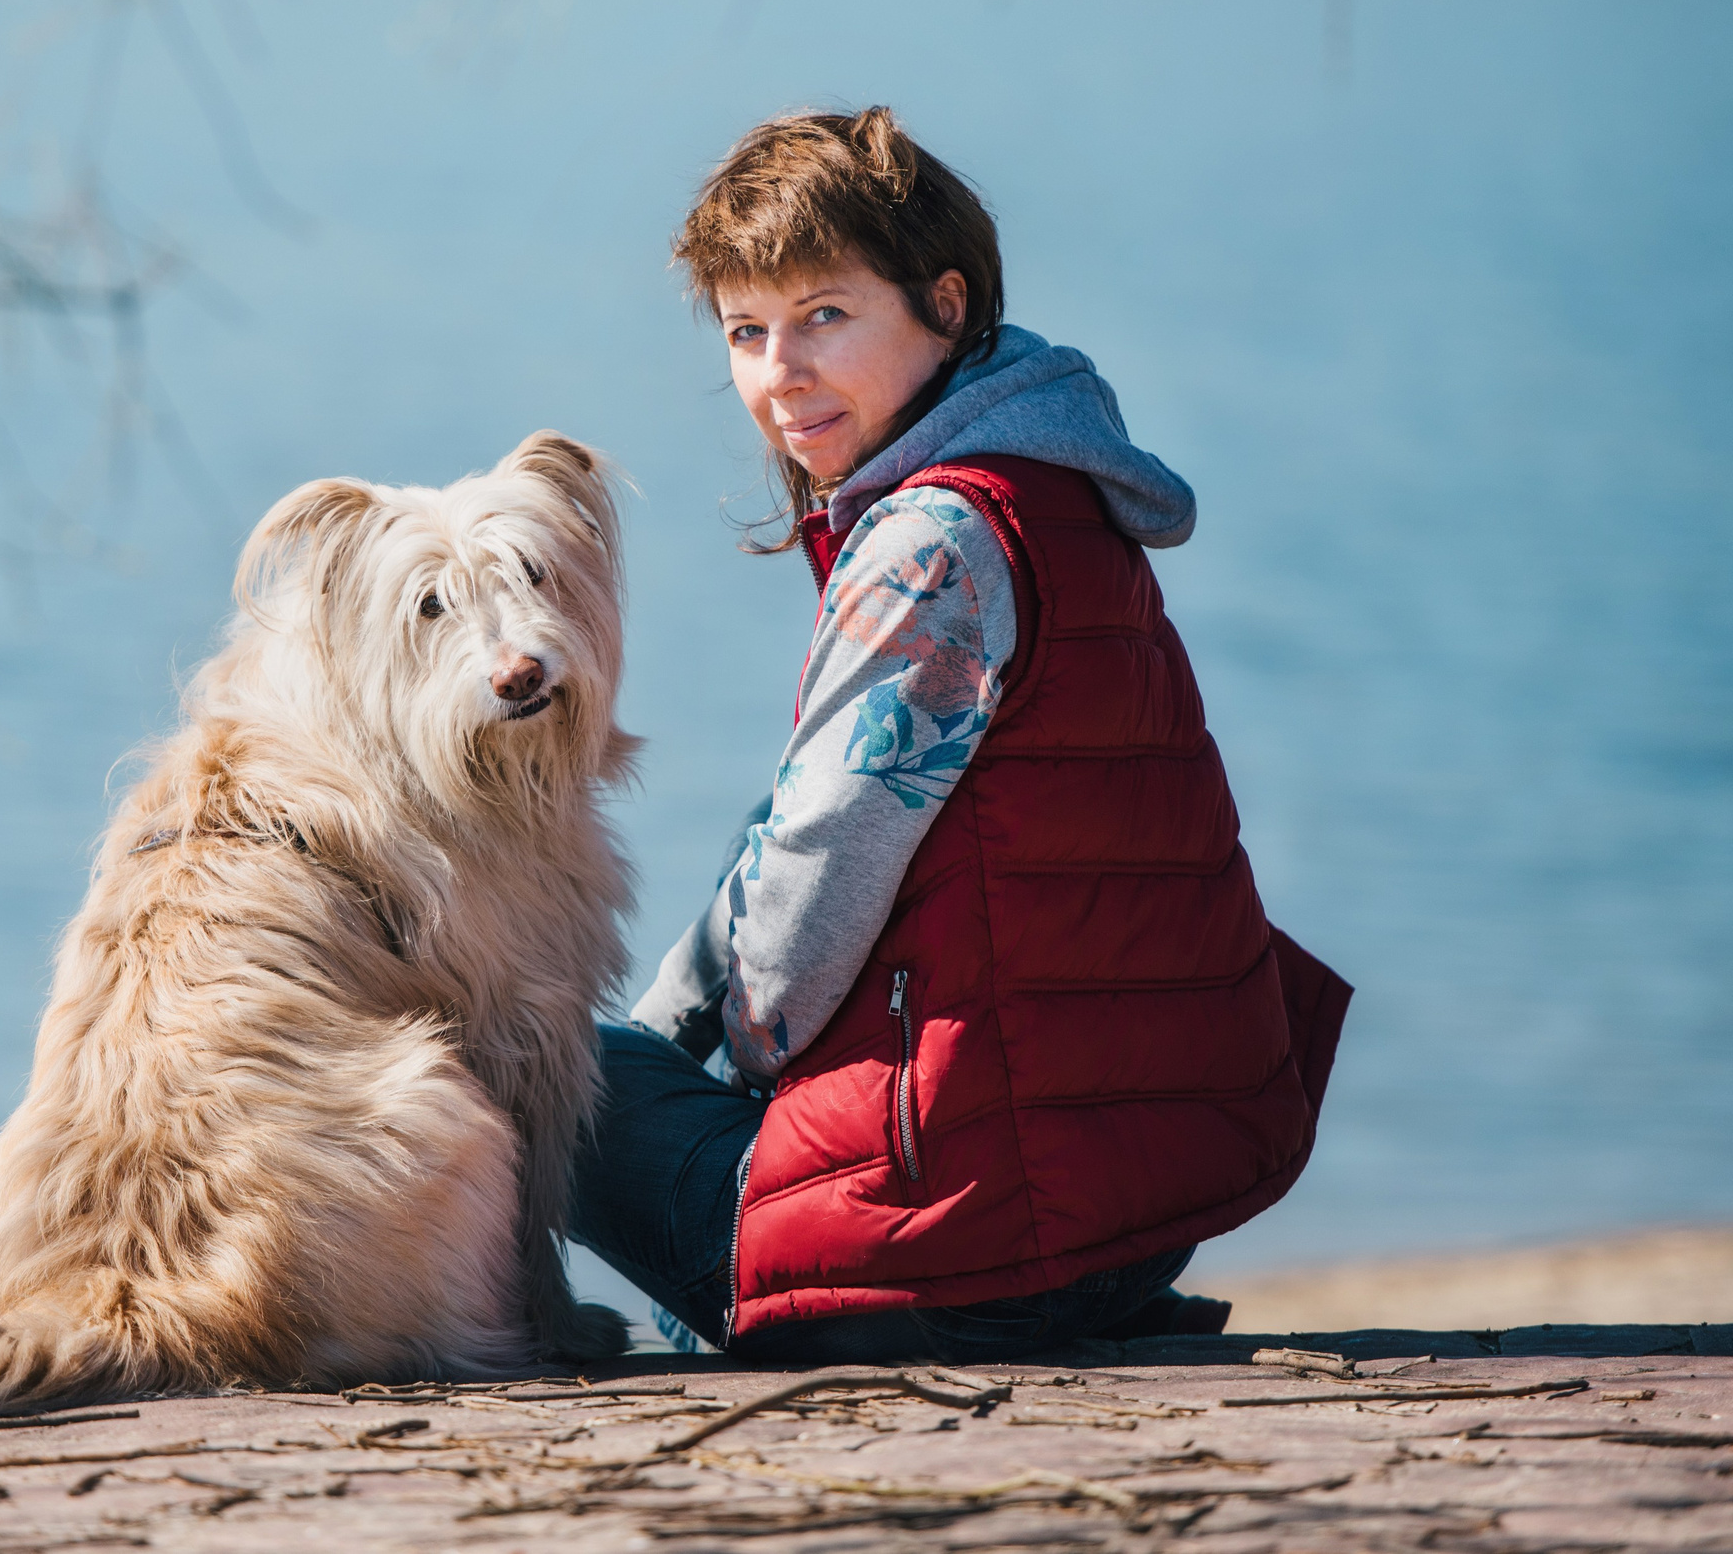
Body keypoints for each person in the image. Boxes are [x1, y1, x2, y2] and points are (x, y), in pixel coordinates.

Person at [568, 108, 1352, 1363]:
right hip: (1122, 1216)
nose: (780, 373)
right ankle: (752, 1299)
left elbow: (800, 925)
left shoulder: (931, 546)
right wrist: (674, 1041)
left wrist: (676, 1066)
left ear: (944, 303)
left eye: (824, 314)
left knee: (525, 1067)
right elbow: (790, 841)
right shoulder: (1050, 488)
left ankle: (747, 1313)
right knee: (687, 989)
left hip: (970, 1239)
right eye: (745, 331)